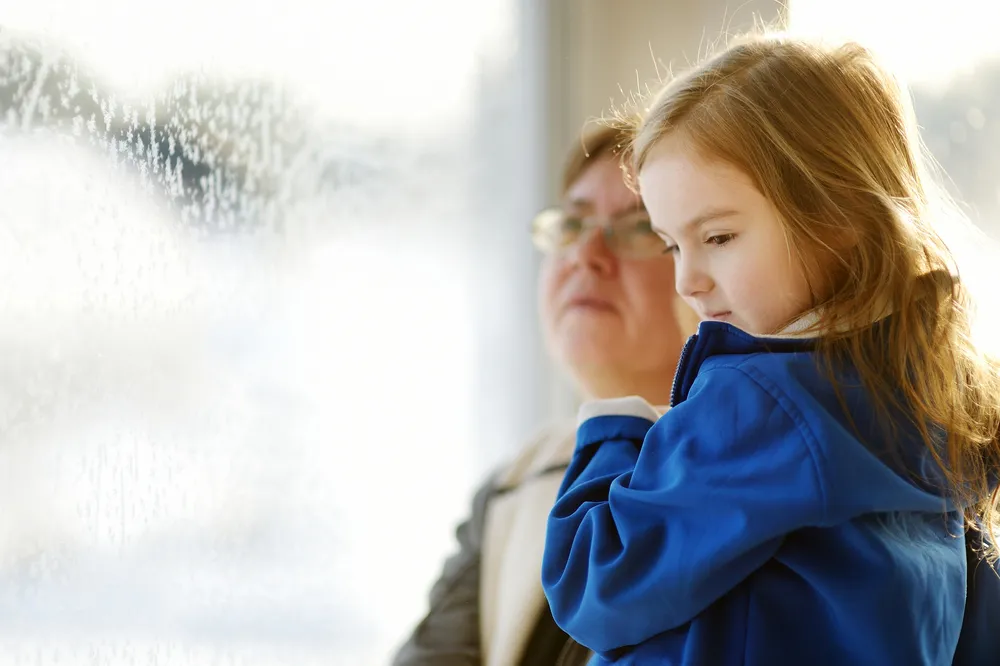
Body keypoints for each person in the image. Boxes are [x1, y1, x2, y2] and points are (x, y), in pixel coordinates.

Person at [541, 32, 1000, 666]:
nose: (687, 280)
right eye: (673, 244)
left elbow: (594, 583)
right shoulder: (939, 403)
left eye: (720, 236)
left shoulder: (760, 402)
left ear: (838, 217)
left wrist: (610, 434)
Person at [391, 124, 699, 666]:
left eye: (638, 229)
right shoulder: (514, 487)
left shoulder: (749, 479)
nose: (586, 254)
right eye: (573, 223)